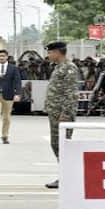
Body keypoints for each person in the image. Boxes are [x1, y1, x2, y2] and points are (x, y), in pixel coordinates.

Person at [43, 42, 79, 189]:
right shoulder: (58, 67)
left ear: (58, 52)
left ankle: (66, 177)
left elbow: (71, 93)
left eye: (50, 52)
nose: (48, 55)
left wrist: (66, 113)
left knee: (62, 145)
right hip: (55, 112)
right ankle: (65, 175)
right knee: (56, 145)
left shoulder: (69, 68)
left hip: (62, 114)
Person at [0, 49, 22, 144]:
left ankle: (5, 136)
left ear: (7, 57)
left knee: (6, 117)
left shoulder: (13, 68)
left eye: (3, 56)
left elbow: (17, 82)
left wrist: (18, 94)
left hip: (9, 95)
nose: (1, 57)